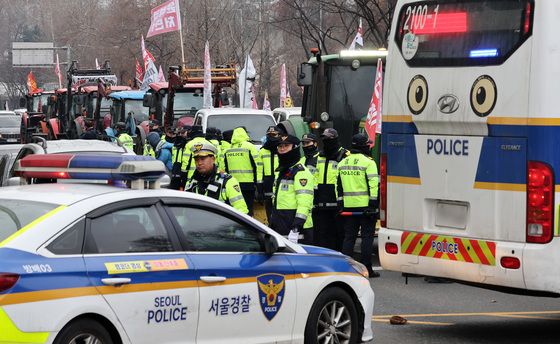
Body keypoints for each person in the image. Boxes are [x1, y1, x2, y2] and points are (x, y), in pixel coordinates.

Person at [337, 133, 379, 278]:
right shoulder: (369, 162)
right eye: (368, 144)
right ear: (364, 146)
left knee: (349, 237)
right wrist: (373, 203)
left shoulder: (343, 162)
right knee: (367, 237)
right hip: (366, 207)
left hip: (348, 207)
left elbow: (339, 186)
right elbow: (374, 184)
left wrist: (340, 203)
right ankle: (367, 268)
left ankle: (344, 267)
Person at [270, 135, 314, 244]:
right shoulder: (282, 171)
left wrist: (296, 228)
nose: (282, 148)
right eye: (280, 146)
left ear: (294, 147)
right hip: (281, 226)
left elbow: (304, 203)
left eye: (286, 146)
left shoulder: (301, 173)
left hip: (298, 231)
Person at [185, 142, 248, 214]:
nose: (199, 163)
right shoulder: (191, 182)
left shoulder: (227, 182)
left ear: (213, 159)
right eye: (196, 159)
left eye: (202, 159)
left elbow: (242, 211)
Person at [313, 128, 350, 250]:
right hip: (321, 203)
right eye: (324, 138)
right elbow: (315, 177)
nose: (326, 141)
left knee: (339, 234)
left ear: (335, 139)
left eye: (329, 138)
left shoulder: (345, 155)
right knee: (322, 234)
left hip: (337, 203)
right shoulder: (319, 156)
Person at [224, 127, 262, 216]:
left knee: (235, 208)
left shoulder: (228, 149)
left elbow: (224, 168)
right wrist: (258, 182)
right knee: (248, 207)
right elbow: (257, 165)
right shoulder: (249, 147)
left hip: (232, 184)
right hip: (248, 183)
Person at [258, 126, 283, 223]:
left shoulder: (282, 149)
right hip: (267, 183)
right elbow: (259, 170)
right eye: (269, 135)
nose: (271, 137)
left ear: (279, 135)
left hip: (280, 182)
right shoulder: (262, 151)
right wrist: (259, 187)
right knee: (269, 207)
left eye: (274, 134)